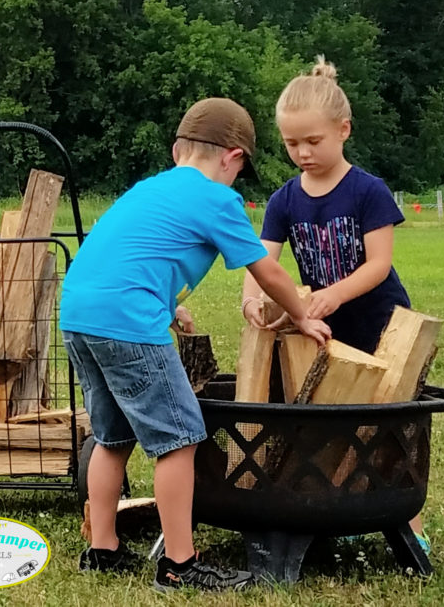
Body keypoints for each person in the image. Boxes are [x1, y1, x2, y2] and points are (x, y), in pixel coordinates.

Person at [60, 97, 332, 592]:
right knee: (181, 436)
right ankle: (180, 565)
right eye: (239, 169)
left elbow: (130, 257)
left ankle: (102, 549)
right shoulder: (216, 197)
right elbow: (265, 269)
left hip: (79, 315)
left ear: (177, 150)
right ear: (232, 157)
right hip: (128, 324)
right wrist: (300, 314)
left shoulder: (149, 189)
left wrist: (168, 307)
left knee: (112, 437)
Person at [240, 56, 429, 553]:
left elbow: (379, 265)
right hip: (321, 327)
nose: (302, 152)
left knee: (391, 426)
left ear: (343, 130)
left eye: (313, 141)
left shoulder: (368, 191)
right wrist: (252, 297)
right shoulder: (283, 201)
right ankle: (321, 509)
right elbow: (261, 261)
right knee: (322, 421)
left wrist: (333, 293)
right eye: (291, 143)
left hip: (379, 322)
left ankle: (411, 524)